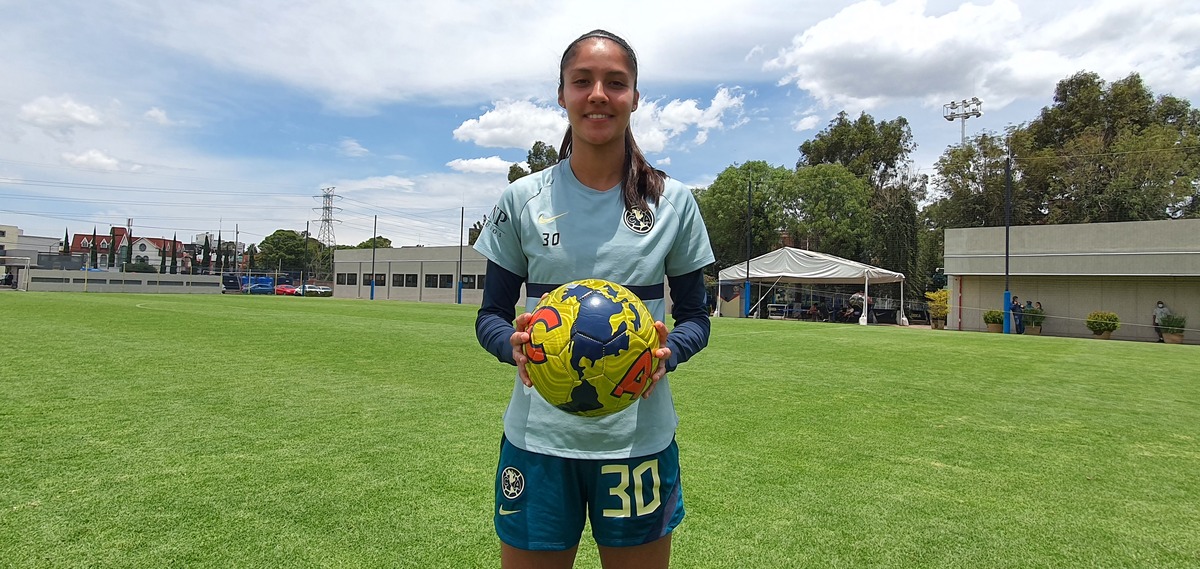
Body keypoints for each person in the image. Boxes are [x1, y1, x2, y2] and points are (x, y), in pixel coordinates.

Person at [473, 29, 714, 569]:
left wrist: (668, 353)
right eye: (582, 81)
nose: (598, 94)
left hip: (637, 447)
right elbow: (490, 315)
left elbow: (697, 317)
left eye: (615, 82)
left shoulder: (672, 202)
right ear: (562, 94)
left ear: (634, 96)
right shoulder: (521, 199)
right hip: (538, 444)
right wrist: (508, 344)